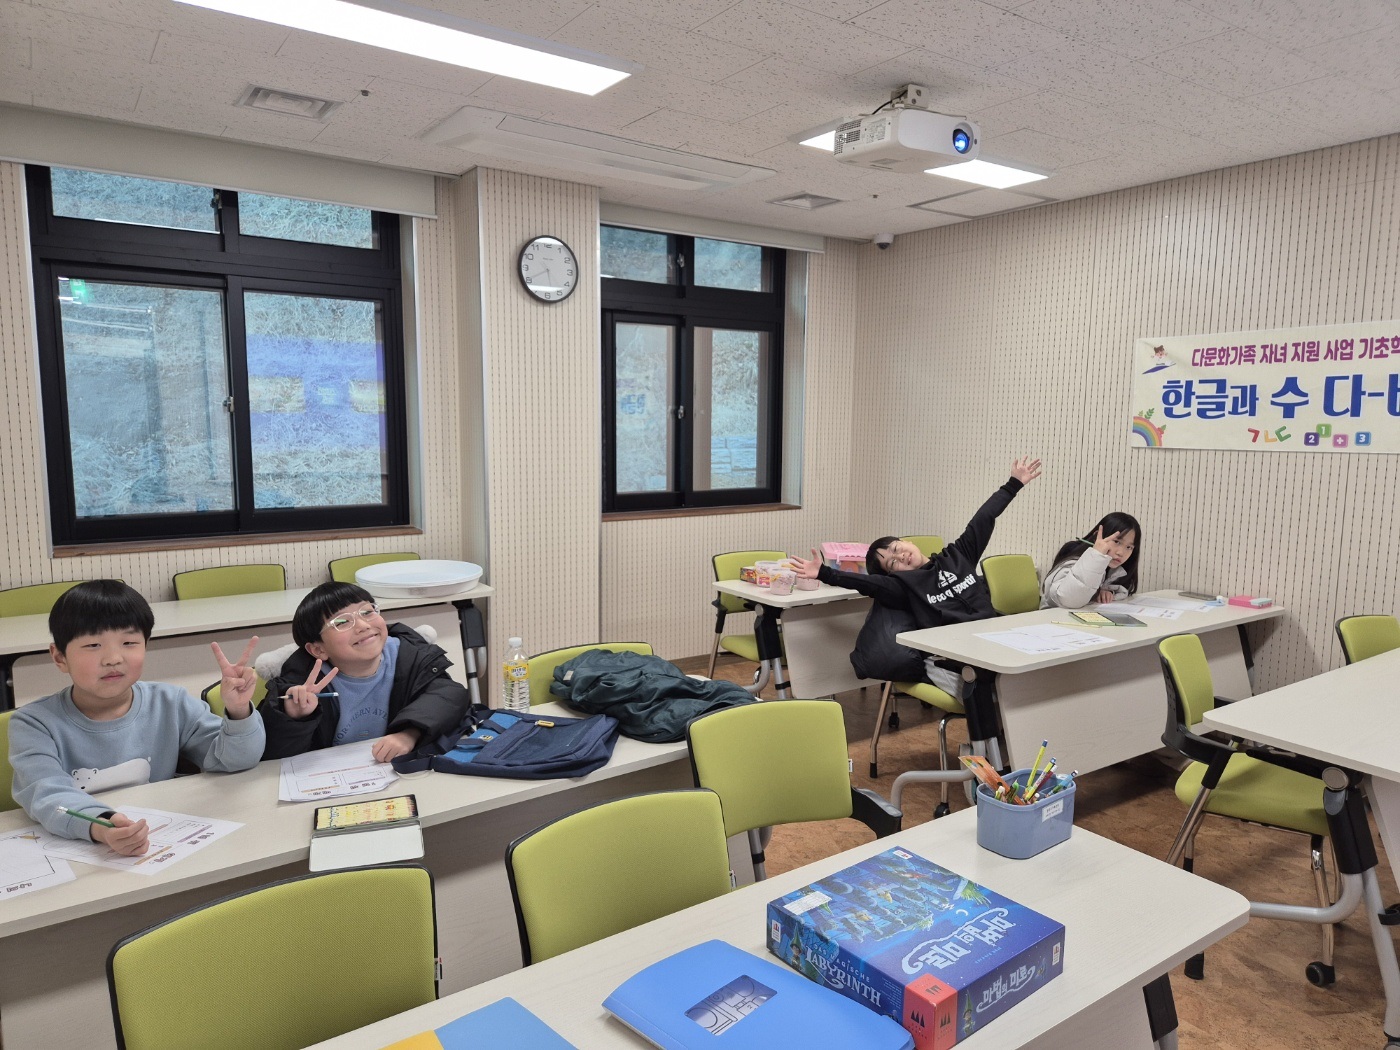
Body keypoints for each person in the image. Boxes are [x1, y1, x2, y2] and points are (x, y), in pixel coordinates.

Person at [8, 580, 265, 856]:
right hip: (80, 849)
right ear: (59, 657)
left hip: (158, 843)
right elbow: (47, 795)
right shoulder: (33, 723)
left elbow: (235, 760)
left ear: (145, 646)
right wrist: (102, 826)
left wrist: (238, 711)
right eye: (93, 644)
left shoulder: (171, 703)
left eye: (129, 642)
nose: (113, 658)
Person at [792, 457, 1043, 695]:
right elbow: (867, 583)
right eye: (892, 562)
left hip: (988, 640)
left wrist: (1013, 484)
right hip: (953, 654)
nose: (900, 556)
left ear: (908, 542)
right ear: (892, 574)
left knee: (1034, 673)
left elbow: (983, 519)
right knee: (989, 690)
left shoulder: (957, 555)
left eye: (896, 548)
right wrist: (824, 573)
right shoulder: (903, 586)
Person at [260, 582, 472, 763]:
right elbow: (271, 754)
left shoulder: (410, 656)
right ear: (318, 649)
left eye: (367, 612)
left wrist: (409, 734)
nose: (362, 625)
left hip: (393, 771)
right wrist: (294, 717)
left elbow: (449, 695)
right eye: (342, 622)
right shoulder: (302, 680)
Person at [1040, 512, 1142, 609]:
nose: (1121, 553)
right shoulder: (1073, 561)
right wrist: (1096, 555)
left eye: (1129, 547)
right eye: (1116, 541)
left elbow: (1123, 590)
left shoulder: (1114, 569)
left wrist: (1107, 592)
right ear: (1097, 537)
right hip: (1050, 618)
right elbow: (1069, 599)